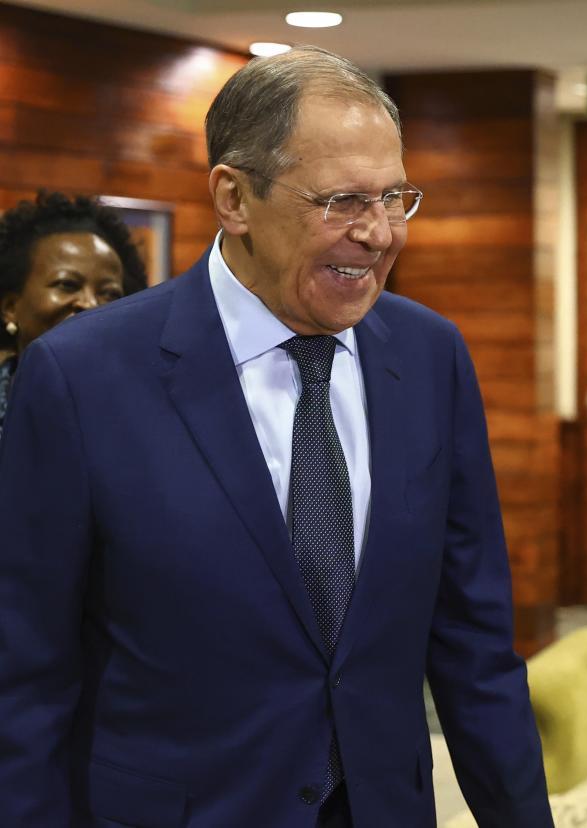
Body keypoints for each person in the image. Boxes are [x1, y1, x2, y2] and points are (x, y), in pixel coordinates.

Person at [0, 46, 553, 827]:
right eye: (341, 201)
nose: (380, 233)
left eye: (395, 197)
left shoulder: (432, 357)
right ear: (234, 197)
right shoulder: (79, 377)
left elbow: (475, 647)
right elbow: (26, 674)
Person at [0, 191, 146, 439]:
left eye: (110, 294)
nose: (90, 304)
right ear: (11, 307)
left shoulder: (142, 421)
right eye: (67, 285)